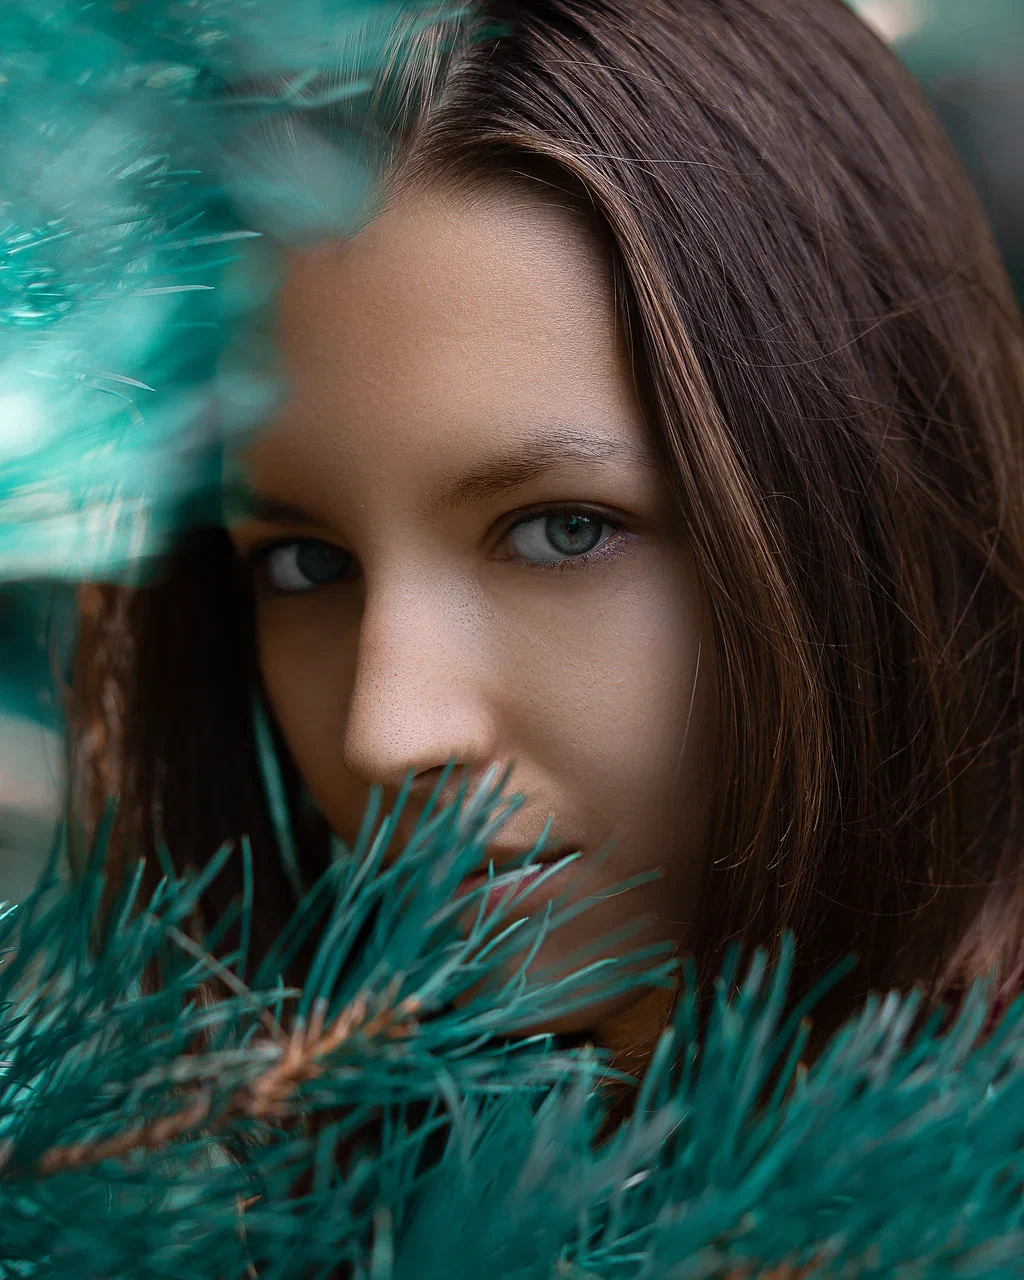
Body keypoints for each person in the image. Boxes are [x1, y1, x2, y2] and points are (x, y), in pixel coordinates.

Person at [71, 0, 1024, 1070]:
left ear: (861, 509)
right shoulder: (193, 1182)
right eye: (306, 564)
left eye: (561, 532)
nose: (387, 733)